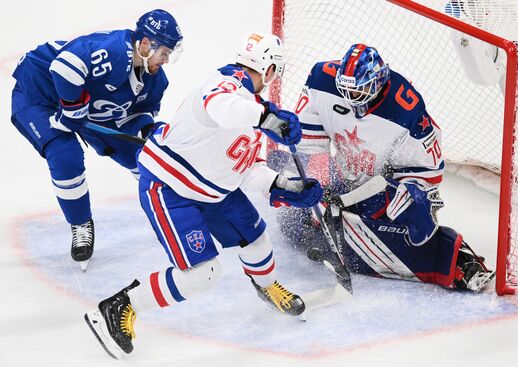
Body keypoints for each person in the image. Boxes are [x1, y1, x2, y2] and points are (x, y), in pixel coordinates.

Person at [84, 32, 323, 359]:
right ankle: (120, 305)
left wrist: (285, 185)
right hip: (170, 187)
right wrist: (267, 119)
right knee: (202, 275)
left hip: (214, 188)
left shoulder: (253, 106)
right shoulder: (226, 83)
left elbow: (247, 166)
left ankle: (267, 288)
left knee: (257, 240)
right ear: (269, 69)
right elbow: (221, 108)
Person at [271, 43, 495, 292]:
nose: (352, 98)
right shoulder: (321, 80)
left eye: (360, 90)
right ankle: (325, 231)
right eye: (347, 90)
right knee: (292, 214)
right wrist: (319, 182)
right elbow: (310, 144)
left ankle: (460, 265)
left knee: (411, 219)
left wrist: (411, 195)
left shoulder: (405, 109)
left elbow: (425, 171)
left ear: (378, 81)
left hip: (381, 184)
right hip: (343, 174)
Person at [10, 9, 183, 270]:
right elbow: (64, 66)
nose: (166, 60)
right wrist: (72, 109)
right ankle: (80, 223)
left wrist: (147, 131)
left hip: (88, 106)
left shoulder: (156, 81)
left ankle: (177, 209)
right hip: (40, 93)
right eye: (164, 53)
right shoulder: (113, 50)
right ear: (146, 44)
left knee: (146, 157)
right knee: (64, 154)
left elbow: (137, 114)